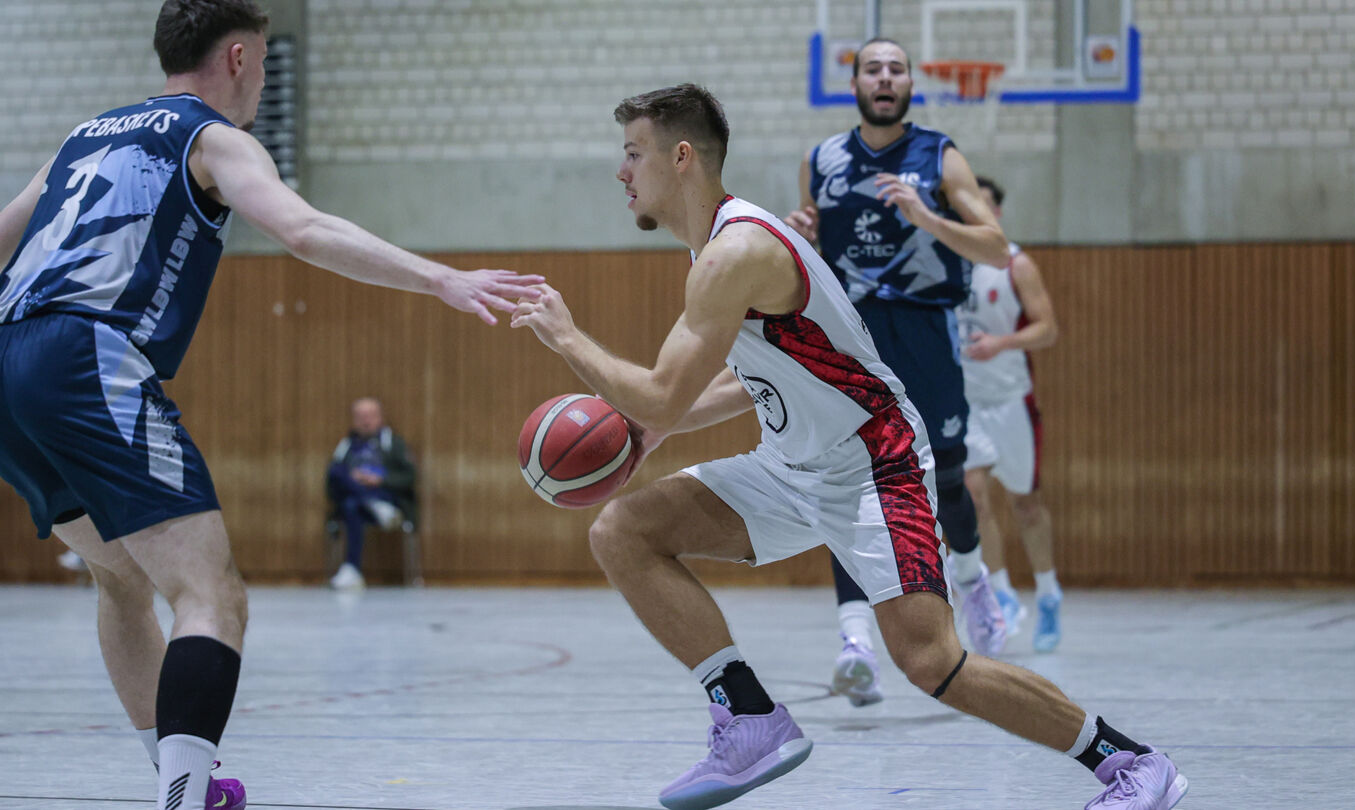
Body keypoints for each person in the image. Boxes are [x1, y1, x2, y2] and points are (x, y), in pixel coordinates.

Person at [512, 83, 1188, 810]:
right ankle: (748, 718)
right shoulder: (715, 249)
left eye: (632, 153)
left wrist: (568, 337)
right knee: (625, 530)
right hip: (795, 464)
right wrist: (653, 432)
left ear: (681, 157)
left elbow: (658, 391)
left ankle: (1129, 763)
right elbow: (750, 385)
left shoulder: (735, 252)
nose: (622, 172)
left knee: (932, 662)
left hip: (875, 464)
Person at [0, 3, 542, 809]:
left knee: (120, 580)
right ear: (244, 57)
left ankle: (184, 781)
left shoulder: (86, 135)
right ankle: (184, 799)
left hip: (8, 358)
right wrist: (440, 278)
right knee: (210, 593)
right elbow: (303, 229)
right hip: (86, 357)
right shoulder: (212, 137)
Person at [783, 37, 1009, 707]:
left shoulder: (939, 154)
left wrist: (926, 216)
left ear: (911, 83)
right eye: (873, 68)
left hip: (925, 333)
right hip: (852, 340)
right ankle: (856, 644)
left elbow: (995, 246)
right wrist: (801, 230)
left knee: (947, 477)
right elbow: (815, 249)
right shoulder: (821, 159)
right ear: (853, 83)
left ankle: (971, 579)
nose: (885, 78)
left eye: (897, 68)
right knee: (847, 484)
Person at [957, 176, 1065, 652]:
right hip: (965, 404)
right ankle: (999, 593)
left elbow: (1048, 329)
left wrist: (1002, 343)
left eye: (982, 205)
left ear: (995, 214)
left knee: (1026, 504)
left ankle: (1048, 594)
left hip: (1010, 399)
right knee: (973, 499)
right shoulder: (945, 265)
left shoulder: (1016, 264)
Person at [325, 397, 418, 589]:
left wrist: (380, 480)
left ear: (380, 417)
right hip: (359, 505)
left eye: (370, 416)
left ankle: (351, 568)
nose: (366, 421)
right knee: (342, 485)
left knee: (352, 504)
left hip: (389, 500)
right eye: (360, 417)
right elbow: (332, 482)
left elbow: (409, 476)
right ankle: (352, 569)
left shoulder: (393, 443)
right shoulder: (347, 445)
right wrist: (355, 479)